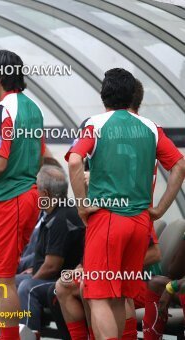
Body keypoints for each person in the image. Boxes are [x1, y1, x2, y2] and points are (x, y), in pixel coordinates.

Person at [66, 68, 185, 339]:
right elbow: (179, 165)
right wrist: (160, 209)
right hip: (140, 222)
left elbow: (74, 160)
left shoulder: (95, 124)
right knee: (120, 296)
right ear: (133, 95)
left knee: (97, 296)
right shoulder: (151, 127)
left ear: (103, 95)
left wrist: (82, 205)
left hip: (107, 220)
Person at [0, 50, 44, 340]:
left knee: (2, 279)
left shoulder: (2, 110)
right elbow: (40, 155)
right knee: (5, 277)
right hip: (30, 195)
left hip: (8, 198)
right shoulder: (35, 108)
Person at [17, 165, 85, 333]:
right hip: (50, 275)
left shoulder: (62, 218)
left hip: (61, 278)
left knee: (26, 287)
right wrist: (33, 270)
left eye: (37, 189)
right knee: (0, 284)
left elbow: (52, 266)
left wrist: (33, 277)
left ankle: (30, 336)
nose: (35, 194)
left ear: (45, 194)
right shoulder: (51, 212)